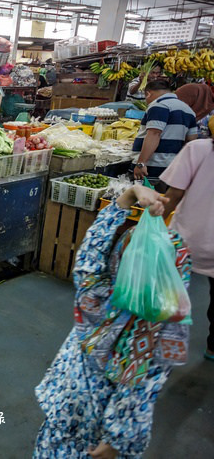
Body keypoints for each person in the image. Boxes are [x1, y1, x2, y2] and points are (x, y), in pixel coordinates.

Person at [34, 184, 191, 458]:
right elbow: (141, 394)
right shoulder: (159, 333)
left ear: (119, 257)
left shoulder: (96, 295)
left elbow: (91, 252)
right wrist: (118, 441)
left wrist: (128, 196)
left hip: (66, 417)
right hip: (98, 437)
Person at [160, 137, 214, 361]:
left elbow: (173, 196)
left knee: (165, 294)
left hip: (185, 241)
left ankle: (154, 341)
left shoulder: (198, 149)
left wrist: (150, 228)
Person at [132, 80, 198, 180]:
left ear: (148, 94)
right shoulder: (188, 110)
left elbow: (154, 134)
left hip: (152, 165)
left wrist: (141, 163)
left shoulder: (159, 105)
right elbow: (191, 140)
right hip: (171, 166)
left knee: (144, 194)